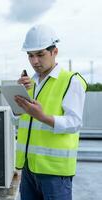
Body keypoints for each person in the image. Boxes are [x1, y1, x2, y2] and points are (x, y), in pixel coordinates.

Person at [14, 24, 87, 200]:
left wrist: (42, 117)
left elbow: (74, 123)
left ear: (55, 52)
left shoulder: (71, 81)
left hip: (55, 173)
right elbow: (19, 121)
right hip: (29, 168)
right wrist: (16, 100)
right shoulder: (30, 83)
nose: (34, 61)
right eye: (30, 56)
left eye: (40, 54)